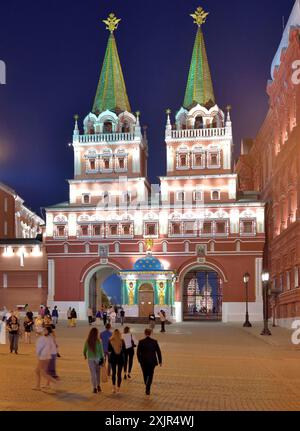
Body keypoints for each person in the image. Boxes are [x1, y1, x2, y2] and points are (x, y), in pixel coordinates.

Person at [137, 328, 162, 396]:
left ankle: (147, 385)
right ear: (150, 333)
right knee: (150, 375)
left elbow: (138, 352)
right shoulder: (154, 341)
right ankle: (148, 388)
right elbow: (158, 352)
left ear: (145, 333)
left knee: (145, 374)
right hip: (152, 361)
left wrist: (139, 360)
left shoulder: (141, 342)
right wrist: (160, 361)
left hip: (143, 361)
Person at [33, 326, 57, 391]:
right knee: (45, 372)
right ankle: (47, 384)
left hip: (43, 357)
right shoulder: (50, 338)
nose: (43, 331)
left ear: (47, 331)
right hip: (48, 356)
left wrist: (38, 355)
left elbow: (40, 348)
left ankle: (39, 386)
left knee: (38, 371)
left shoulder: (45, 338)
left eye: (45, 330)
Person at [83, 327, 104, 394]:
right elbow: (101, 351)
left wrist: (85, 355)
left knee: (93, 374)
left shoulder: (88, 341)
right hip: (98, 359)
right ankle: (98, 386)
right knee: (98, 373)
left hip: (90, 359)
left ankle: (94, 388)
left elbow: (84, 349)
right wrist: (102, 359)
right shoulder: (99, 341)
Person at [108, 329, 126, 393]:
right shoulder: (122, 341)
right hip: (120, 358)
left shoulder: (110, 340)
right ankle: (118, 387)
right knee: (119, 374)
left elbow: (109, 350)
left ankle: (113, 387)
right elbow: (124, 350)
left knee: (113, 373)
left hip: (113, 358)